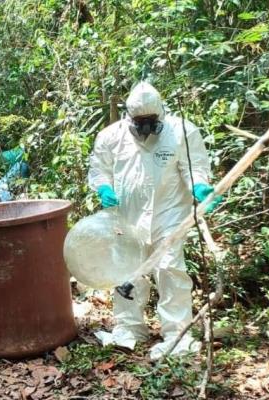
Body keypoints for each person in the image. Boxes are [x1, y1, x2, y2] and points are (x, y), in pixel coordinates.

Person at [87, 81, 220, 360]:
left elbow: (194, 166)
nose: (146, 128)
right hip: (127, 217)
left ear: (160, 114)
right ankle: (129, 329)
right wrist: (104, 188)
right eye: (140, 122)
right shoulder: (111, 136)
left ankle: (177, 333)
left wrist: (200, 186)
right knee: (126, 271)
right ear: (129, 117)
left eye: (151, 122)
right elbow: (99, 170)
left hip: (169, 214)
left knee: (170, 269)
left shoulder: (181, 131)